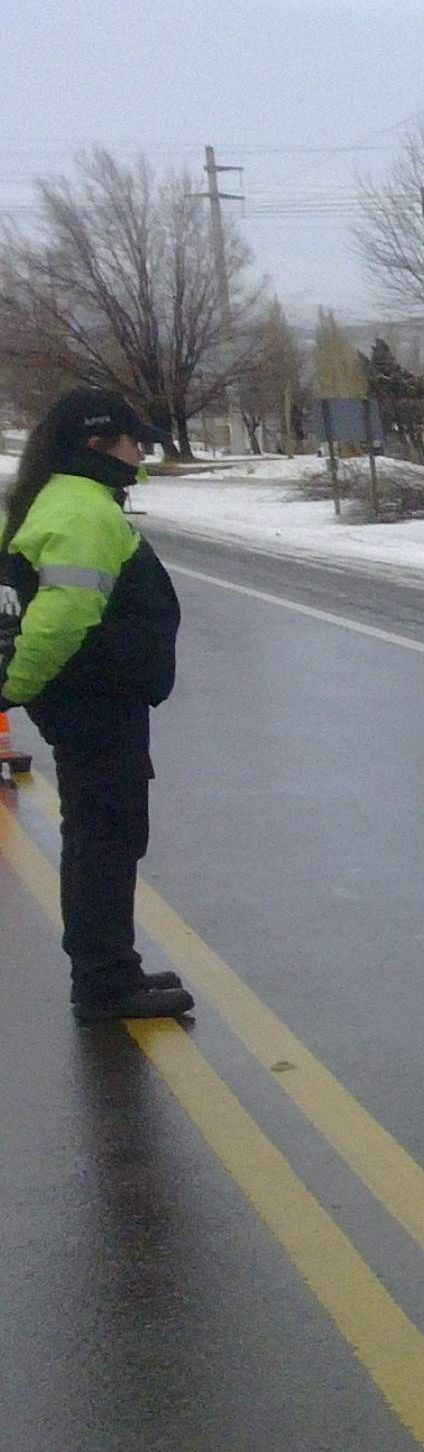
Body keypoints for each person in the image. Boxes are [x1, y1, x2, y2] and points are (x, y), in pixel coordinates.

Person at [1, 389, 194, 1025]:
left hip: (92, 698)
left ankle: (111, 967)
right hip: (95, 701)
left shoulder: (58, 497)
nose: (140, 451)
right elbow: (62, 616)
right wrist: (12, 687)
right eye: (131, 440)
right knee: (106, 836)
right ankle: (106, 982)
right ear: (96, 444)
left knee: (100, 832)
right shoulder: (81, 509)